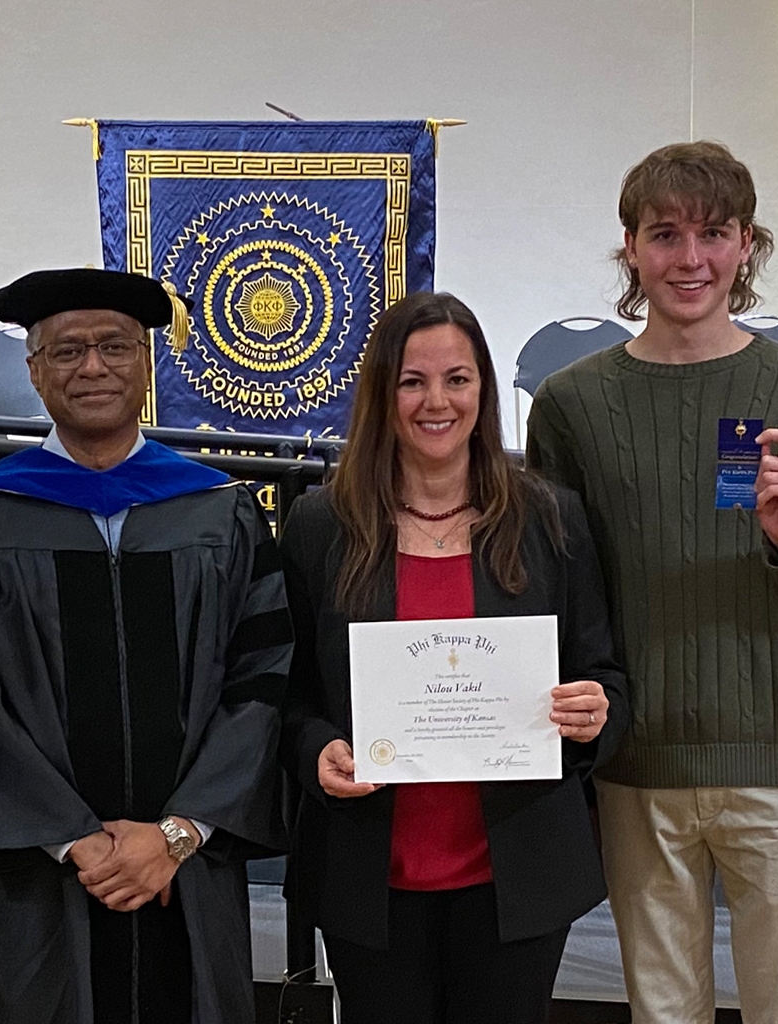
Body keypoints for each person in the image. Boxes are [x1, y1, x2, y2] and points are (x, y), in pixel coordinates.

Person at [525, 141, 778, 1024]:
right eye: (666, 234)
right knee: (663, 1010)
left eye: (714, 233)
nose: (690, 259)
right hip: (638, 758)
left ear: (747, 244)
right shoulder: (572, 405)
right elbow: (552, 593)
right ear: (630, 247)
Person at [0, 267, 293, 1024]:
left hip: (184, 868)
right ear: (34, 372)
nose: (92, 367)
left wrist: (179, 832)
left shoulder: (219, 512)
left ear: (147, 362)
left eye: (114, 347)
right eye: (65, 352)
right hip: (40, 873)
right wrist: (75, 840)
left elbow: (263, 681)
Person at [278, 292, 627, 1023]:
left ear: (483, 390)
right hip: (370, 876)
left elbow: (607, 675)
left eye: (457, 379)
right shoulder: (321, 526)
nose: (436, 401)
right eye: (412, 381)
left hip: (517, 873)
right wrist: (315, 752)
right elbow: (287, 696)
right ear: (384, 394)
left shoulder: (550, 519)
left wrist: (595, 712)